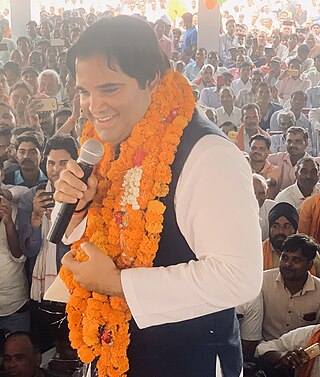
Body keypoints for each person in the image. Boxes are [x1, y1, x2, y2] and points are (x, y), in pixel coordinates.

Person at [53, 16, 262, 377]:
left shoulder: (209, 155)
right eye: (84, 91)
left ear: (151, 79)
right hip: (110, 350)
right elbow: (111, 234)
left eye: (109, 89)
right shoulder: (111, 141)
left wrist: (118, 285)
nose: (93, 105)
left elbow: (238, 278)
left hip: (185, 360)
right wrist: (78, 212)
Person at [262, 234, 320, 341]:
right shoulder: (263, 282)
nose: (288, 264)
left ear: (309, 265)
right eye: (284, 258)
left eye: (296, 260)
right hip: (263, 352)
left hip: (301, 355)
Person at [268, 126, 310, 191]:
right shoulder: (277, 159)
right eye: (289, 141)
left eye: (297, 141)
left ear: (306, 144)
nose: (292, 145)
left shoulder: (313, 164)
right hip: (278, 199)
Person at [252, 174, 276, 241]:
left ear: (267, 194)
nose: (256, 197)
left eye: (261, 193)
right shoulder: (235, 210)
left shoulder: (273, 208)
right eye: (253, 193)